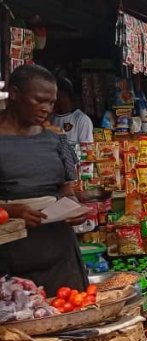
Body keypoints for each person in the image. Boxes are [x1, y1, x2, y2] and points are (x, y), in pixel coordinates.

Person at [0, 64, 89, 296]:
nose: (46, 109)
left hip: (61, 258)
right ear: (15, 93)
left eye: (51, 102)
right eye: (39, 100)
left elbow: (67, 189)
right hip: (10, 260)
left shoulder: (55, 140)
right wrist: (13, 210)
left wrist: (74, 209)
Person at [52, 77, 93, 145]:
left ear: (65, 94)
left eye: (54, 93)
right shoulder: (49, 118)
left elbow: (86, 151)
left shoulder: (82, 120)